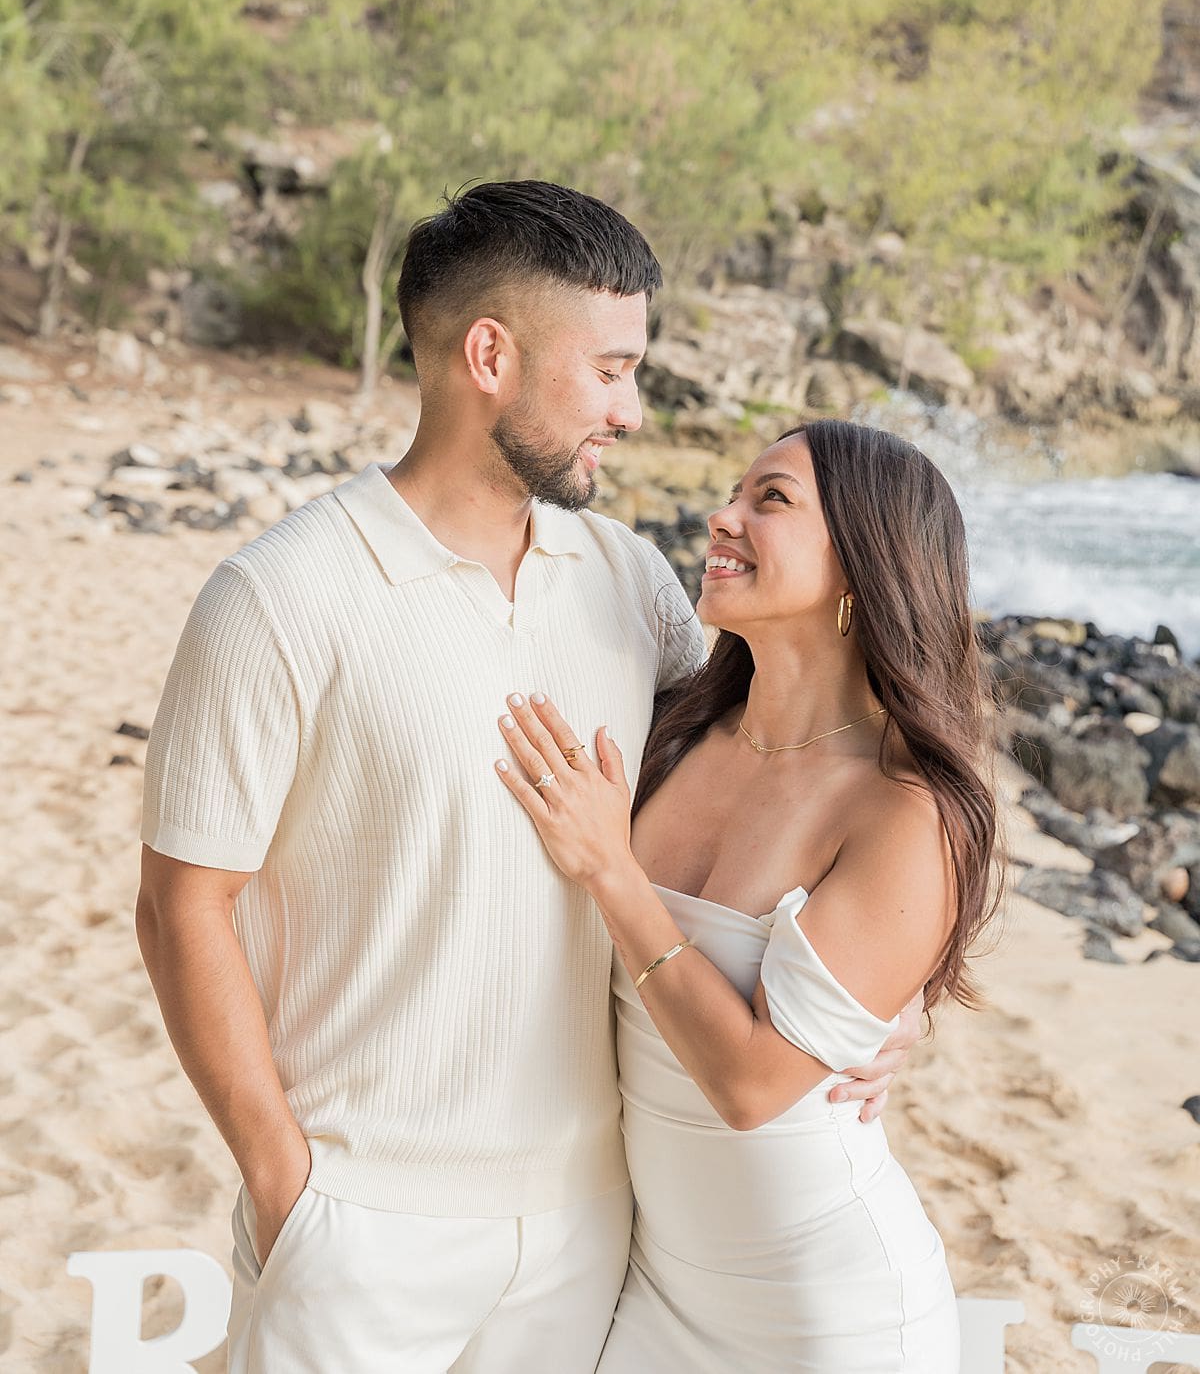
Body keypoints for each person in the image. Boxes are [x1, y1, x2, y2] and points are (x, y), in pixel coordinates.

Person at [135, 181, 919, 1374]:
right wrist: (284, 1178)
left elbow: (770, 786)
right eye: (609, 369)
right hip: (359, 1217)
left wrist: (880, 997)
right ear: (489, 354)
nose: (633, 409)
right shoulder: (280, 597)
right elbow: (182, 902)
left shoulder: (631, 583)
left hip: (587, 1227)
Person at [495, 417, 1002, 1372]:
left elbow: (755, 1085)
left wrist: (613, 868)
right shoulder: (676, 730)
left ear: (865, 563)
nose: (722, 518)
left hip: (826, 1314)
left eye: (770, 499)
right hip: (654, 1280)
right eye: (734, 492)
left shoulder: (903, 809)